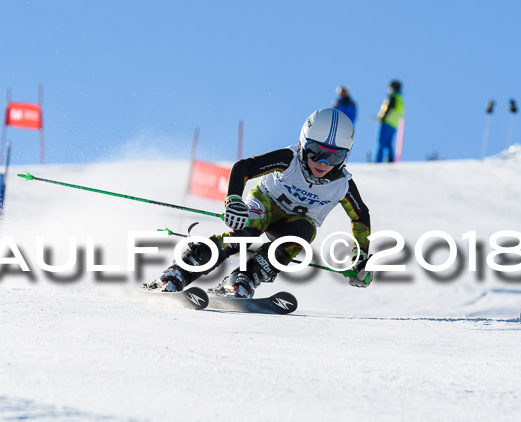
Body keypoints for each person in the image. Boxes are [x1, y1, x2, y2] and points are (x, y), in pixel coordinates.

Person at [147, 108, 372, 297]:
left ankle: (244, 278)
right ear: (303, 145)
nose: (323, 163)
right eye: (315, 152)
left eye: (334, 156)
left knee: (302, 234)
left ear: (346, 157)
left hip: (295, 223)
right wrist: (234, 199)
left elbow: (360, 216)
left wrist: (360, 258)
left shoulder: (342, 185)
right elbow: (244, 167)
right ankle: (180, 272)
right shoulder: (289, 160)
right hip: (266, 204)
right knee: (247, 235)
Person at [375, 80, 404, 163]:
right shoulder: (400, 98)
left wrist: (383, 117)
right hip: (394, 124)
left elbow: (389, 108)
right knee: (388, 143)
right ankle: (391, 159)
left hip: (387, 122)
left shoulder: (393, 96)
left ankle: (378, 161)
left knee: (381, 143)